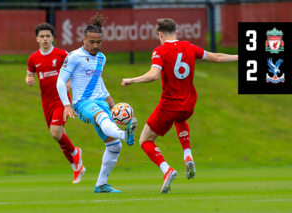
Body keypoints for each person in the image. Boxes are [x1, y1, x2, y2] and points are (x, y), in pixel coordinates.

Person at [121, 18, 238, 194]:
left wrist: (132, 80)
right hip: (188, 105)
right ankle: (187, 155)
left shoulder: (160, 51)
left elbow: (153, 75)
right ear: (176, 32)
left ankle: (167, 170)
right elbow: (217, 57)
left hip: (169, 106)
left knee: (145, 140)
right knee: (180, 119)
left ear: (159, 34)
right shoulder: (190, 47)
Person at [57, 13, 138, 193]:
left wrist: (110, 102)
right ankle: (126, 135)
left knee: (114, 146)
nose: (95, 45)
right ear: (83, 39)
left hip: (100, 101)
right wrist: (67, 105)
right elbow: (60, 81)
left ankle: (101, 184)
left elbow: (98, 80)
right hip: (82, 103)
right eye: (91, 41)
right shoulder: (74, 56)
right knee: (103, 120)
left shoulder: (102, 58)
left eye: (98, 42)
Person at [26, 23, 84, 184]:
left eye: (48, 36)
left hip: (61, 100)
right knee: (60, 137)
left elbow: (75, 72)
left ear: (53, 37)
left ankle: (76, 152)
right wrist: (29, 79)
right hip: (46, 102)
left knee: (55, 133)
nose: (45, 39)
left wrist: (69, 85)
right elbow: (29, 74)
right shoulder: (33, 58)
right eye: (42, 36)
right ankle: (76, 167)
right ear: (37, 38)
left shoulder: (62, 54)